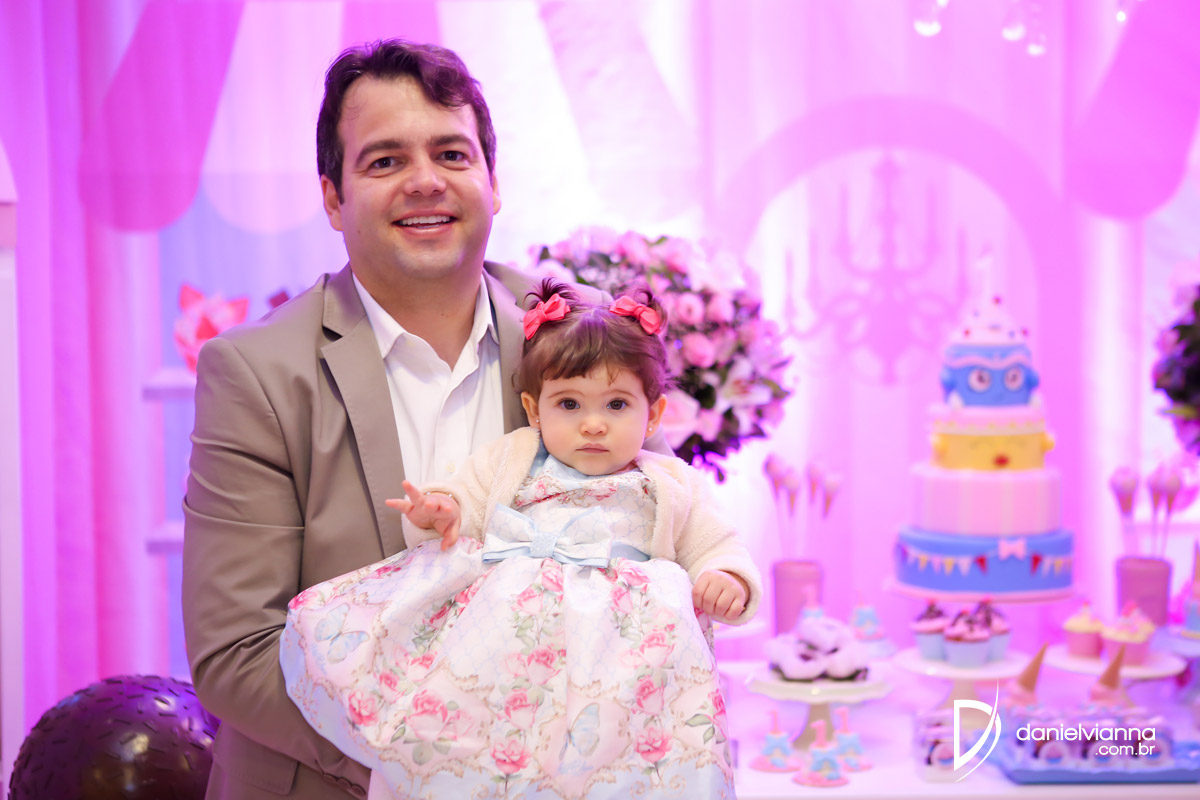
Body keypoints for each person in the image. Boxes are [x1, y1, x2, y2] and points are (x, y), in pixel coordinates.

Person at [182, 40, 638, 799]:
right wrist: (436, 772)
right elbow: (238, 652)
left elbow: (643, 557)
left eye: (452, 154)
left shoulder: (581, 338)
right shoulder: (258, 372)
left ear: (494, 182)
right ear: (333, 198)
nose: (425, 181)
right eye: (385, 160)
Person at [281, 280, 762, 800]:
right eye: (569, 404)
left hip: (629, 655)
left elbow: (715, 542)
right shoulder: (514, 456)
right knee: (485, 734)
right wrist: (440, 511)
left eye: (617, 404)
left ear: (655, 416)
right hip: (511, 644)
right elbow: (463, 500)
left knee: (632, 753)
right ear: (535, 411)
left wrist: (725, 578)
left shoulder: (670, 482)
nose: (593, 425)